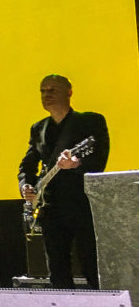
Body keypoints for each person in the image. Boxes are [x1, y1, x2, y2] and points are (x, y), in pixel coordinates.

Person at [18, 74, 109, 289]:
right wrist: (27, 186)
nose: (46, 95)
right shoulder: (38, 128)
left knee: (91, 263)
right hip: (51, 207)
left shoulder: (90, 121)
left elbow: (99, 158)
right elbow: (27, 165)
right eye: (42, 90)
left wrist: (77, 164)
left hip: (82, 204)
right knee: (57, 269)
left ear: (69, 92)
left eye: (52, 90)